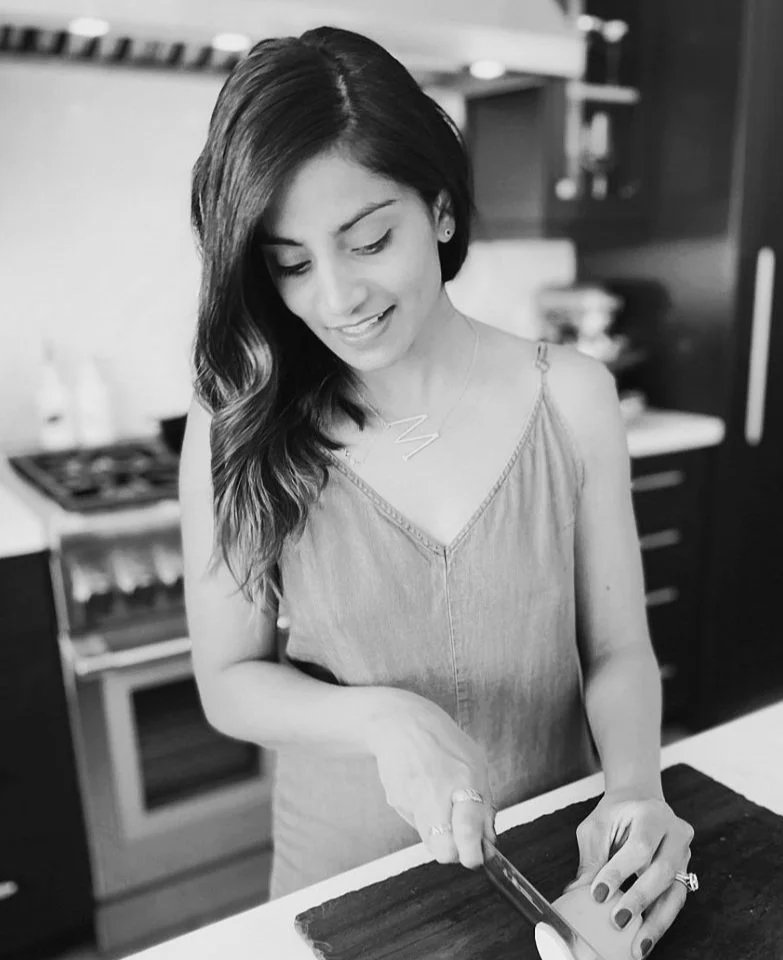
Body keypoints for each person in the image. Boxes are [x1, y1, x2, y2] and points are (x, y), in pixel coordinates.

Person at [179, 25, 695, 958]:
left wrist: (633, 790)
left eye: (369, 239)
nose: (337, 298)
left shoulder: (570, 398)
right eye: (290, 263)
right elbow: (227, 681)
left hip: (555, 871)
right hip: (347, 890)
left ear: (443, 211)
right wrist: (383, 716)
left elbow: (617, 650)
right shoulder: (237, 422)